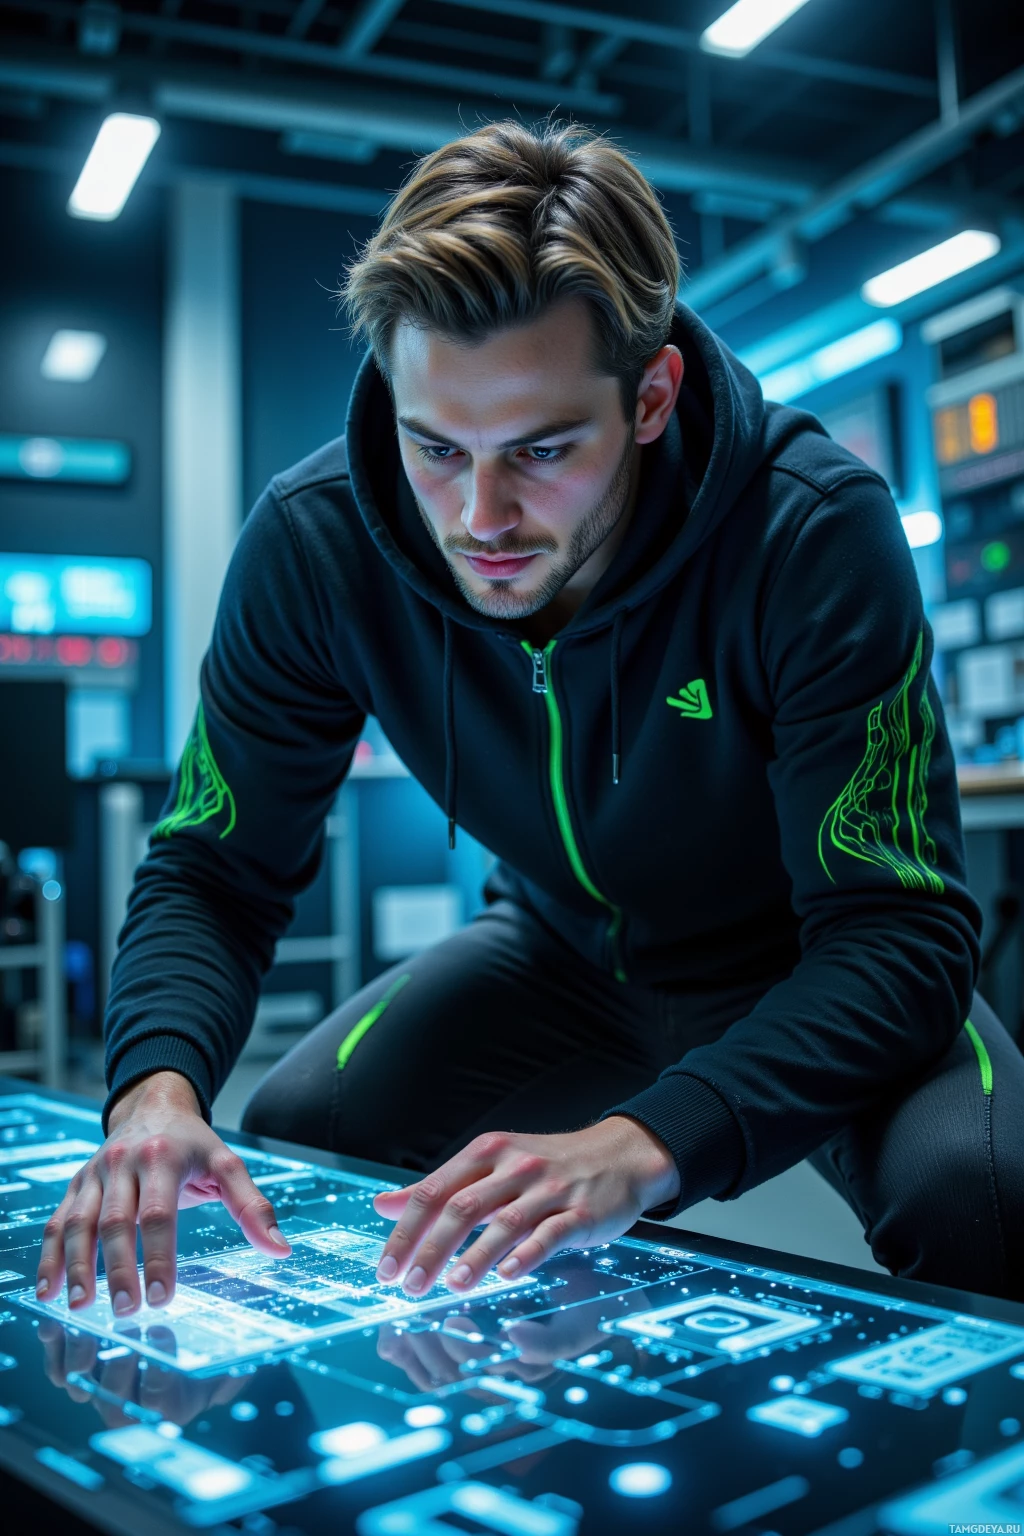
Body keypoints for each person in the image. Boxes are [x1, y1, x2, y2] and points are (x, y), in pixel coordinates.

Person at [36, 121, 1024, 1320]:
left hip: (808, 960)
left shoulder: (810, 528)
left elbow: (900, 932)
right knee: (305, 1130)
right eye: (434, 448)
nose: (480, 517)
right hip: (556, 953)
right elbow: (212, 869)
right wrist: (153, 1088)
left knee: (986, 1194)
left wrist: (649, 1141)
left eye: (541, 451)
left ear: (650, 396)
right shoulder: (314, 543)